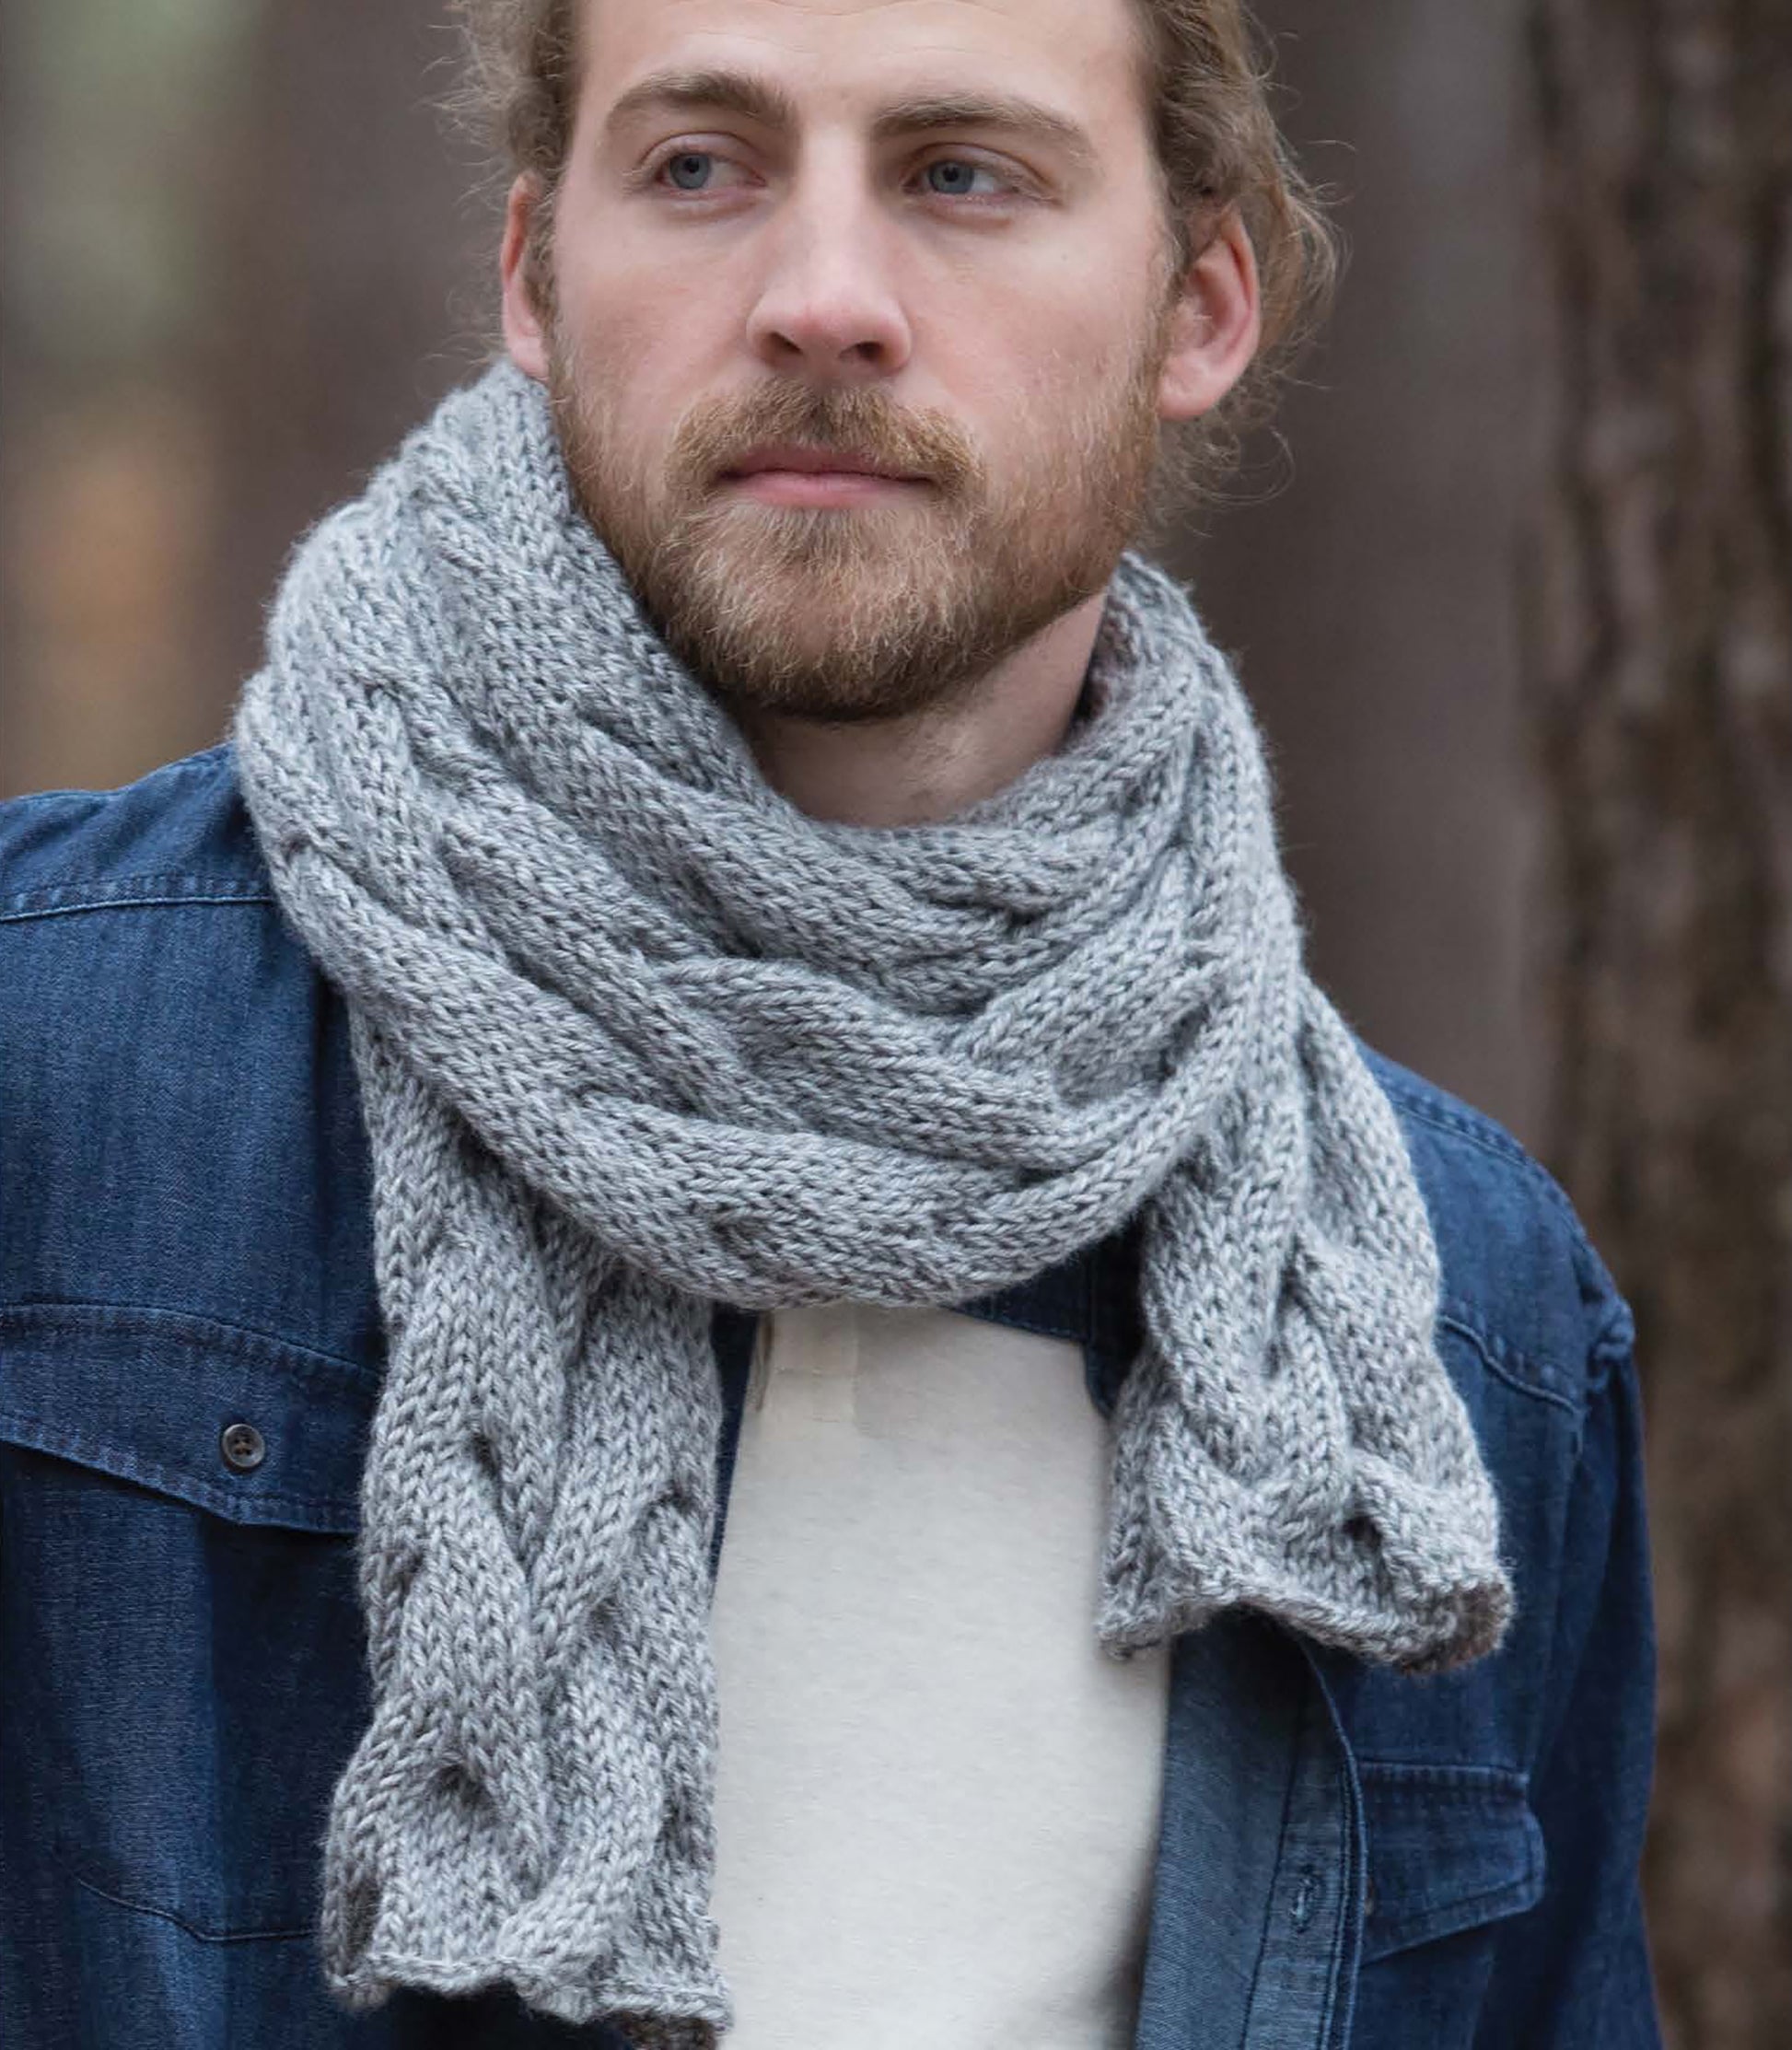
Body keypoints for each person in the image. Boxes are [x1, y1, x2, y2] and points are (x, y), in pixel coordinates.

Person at [0, 1, 1662, 2045]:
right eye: (700, 167)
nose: (823, 300)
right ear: (532, 273)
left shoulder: (1465, 1334)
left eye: (964, 174)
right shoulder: (49, 1064)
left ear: (1198, 305)